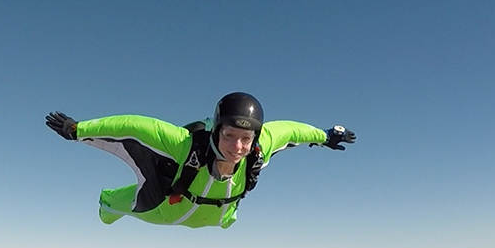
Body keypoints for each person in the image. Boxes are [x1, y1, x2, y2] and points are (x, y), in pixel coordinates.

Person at [45, 92, 356, 228]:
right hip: (163, 209)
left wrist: (325, 136)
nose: (237, 147)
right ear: (216, 130)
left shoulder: (259, 149)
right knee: (118, 204)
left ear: (255, 137)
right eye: (229, 136)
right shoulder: (184, 146)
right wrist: (78, 130)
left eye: (245, 139)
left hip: (219, 216)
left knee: (227, 213)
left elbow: (293, 131)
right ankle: (107, 203)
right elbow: (135, 126)